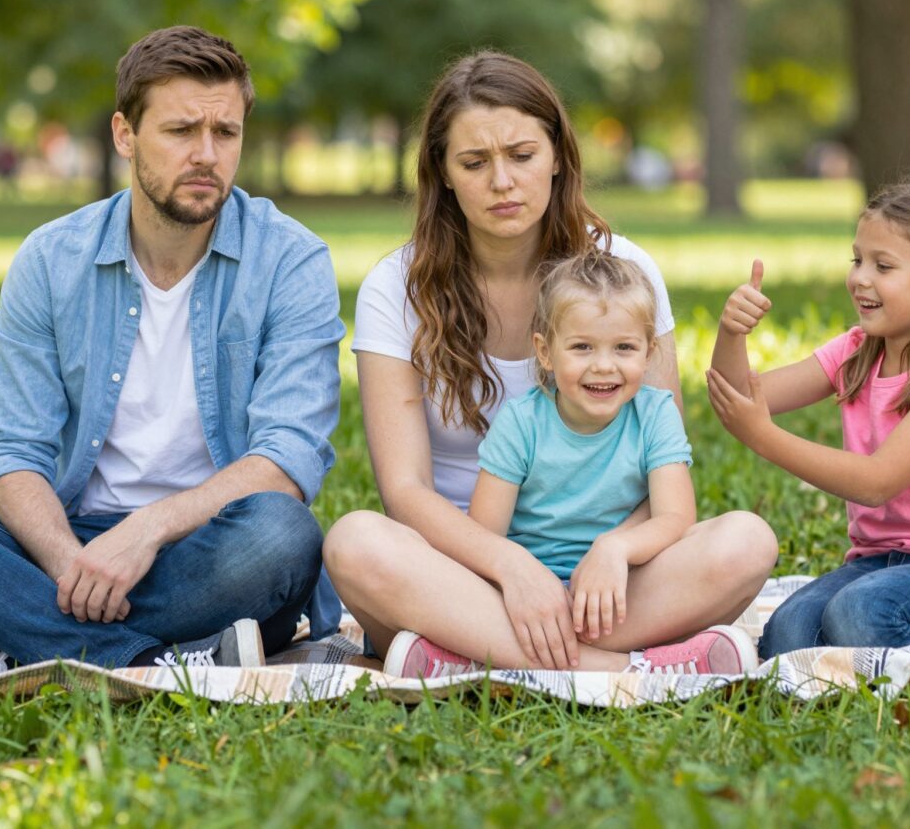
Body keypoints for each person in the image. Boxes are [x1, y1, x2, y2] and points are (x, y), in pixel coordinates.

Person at [0, 26, 345, 673]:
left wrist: (146, 530)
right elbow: (14, 453)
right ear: (124, 134)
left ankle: (16, 643)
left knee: (281, 534)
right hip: (72, 542)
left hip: (213, 548)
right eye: (180, 131)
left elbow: (286, 460)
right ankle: (160, 660)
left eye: (225, 132)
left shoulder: (290, 260)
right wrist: (72, 567)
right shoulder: (51, 260)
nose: (206, 154)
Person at [323, 51, 777, 678]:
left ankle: (468, 657)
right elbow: (404, 491)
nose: (502, 181)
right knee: (354, 542)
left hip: (610, 583)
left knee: (746, 541)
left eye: (522, 155)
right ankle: (617, 671)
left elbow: (660, 465)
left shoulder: (625, 274)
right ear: (443, 173)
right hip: (458, 573)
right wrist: (511, 568)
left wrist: (611, 554)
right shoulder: (395, 288)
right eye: (474, 163)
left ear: (558, 155)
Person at [707, 182, 910, 658]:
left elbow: (877, 482)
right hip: (878, 562)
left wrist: (763, 437)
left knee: (858, 613)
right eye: (858, 260)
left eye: (883, 266)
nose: (860, 278)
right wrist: (732, 332)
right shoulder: (857, 351)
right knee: (788, 635)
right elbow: (740, 398)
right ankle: (886, 658)